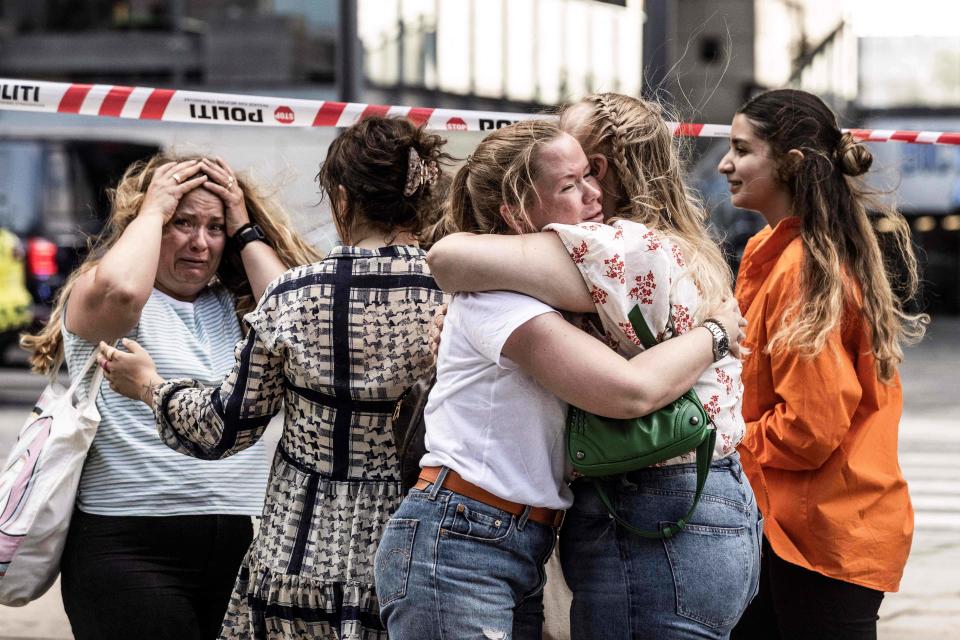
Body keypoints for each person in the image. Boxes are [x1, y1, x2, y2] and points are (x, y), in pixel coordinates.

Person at [375, 119, 747, 640]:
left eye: (591, 177)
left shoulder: (555, 289)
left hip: (512, 538)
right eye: (569, 186)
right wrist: (716, 334)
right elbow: (629, 390)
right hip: (461, 538)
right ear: (515, 212)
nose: (594, 194)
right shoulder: (497, 299)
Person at [100, 115, 450, 640]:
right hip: (418, 550)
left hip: (297, 552)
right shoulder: (457, 294)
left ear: (341, 200)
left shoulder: (295, 296)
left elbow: (223, 427)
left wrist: (151, 385)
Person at [20, 153, 318, 640]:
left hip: (235, 549)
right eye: (182, 223)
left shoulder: (235, 306)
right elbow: (119, 290)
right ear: (148, 223)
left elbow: (298, 320)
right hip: (128, 551)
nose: (200, 243)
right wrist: (153, 209)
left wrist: (243, 226)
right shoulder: (106, 298)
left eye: (214, 227)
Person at [716, 89, 929, 640]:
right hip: (798, 527)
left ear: (789, 165)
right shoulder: (783, 249)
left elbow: (809, 429)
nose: (725, 163)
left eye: (742, 149)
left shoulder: (804, 266)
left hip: (819, 536)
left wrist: (720, 439)